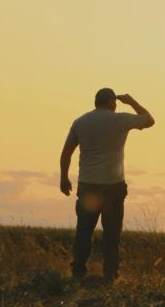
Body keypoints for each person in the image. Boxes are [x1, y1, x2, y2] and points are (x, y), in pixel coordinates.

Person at [59, 88, 155, 283]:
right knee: (112, 233)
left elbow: (66, 153)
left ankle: (78, 272)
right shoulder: (120, 119)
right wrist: (132, 101)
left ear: (96, 102)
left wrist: (64, 178)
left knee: (84, 231)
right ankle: (110, 275)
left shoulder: (80, 122)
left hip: (88, 185)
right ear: (112, 103)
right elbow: (149, 120)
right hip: (113, 186)